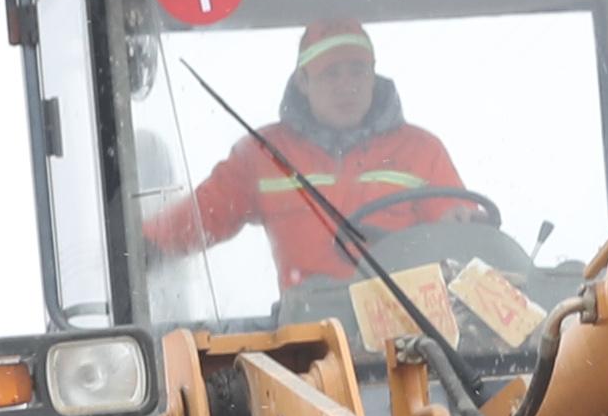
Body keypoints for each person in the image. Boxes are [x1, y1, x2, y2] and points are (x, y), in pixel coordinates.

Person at [141, 24, 479, 288]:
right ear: (303, 80)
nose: (346, 85)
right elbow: (204, 216)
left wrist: (463, 227)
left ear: (373, 74)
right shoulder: (264, 155)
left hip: (408, 330)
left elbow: (461, 238)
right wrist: (143, 247)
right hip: (309, 338)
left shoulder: (421, 151)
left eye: (357, 70)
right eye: (331, 73)